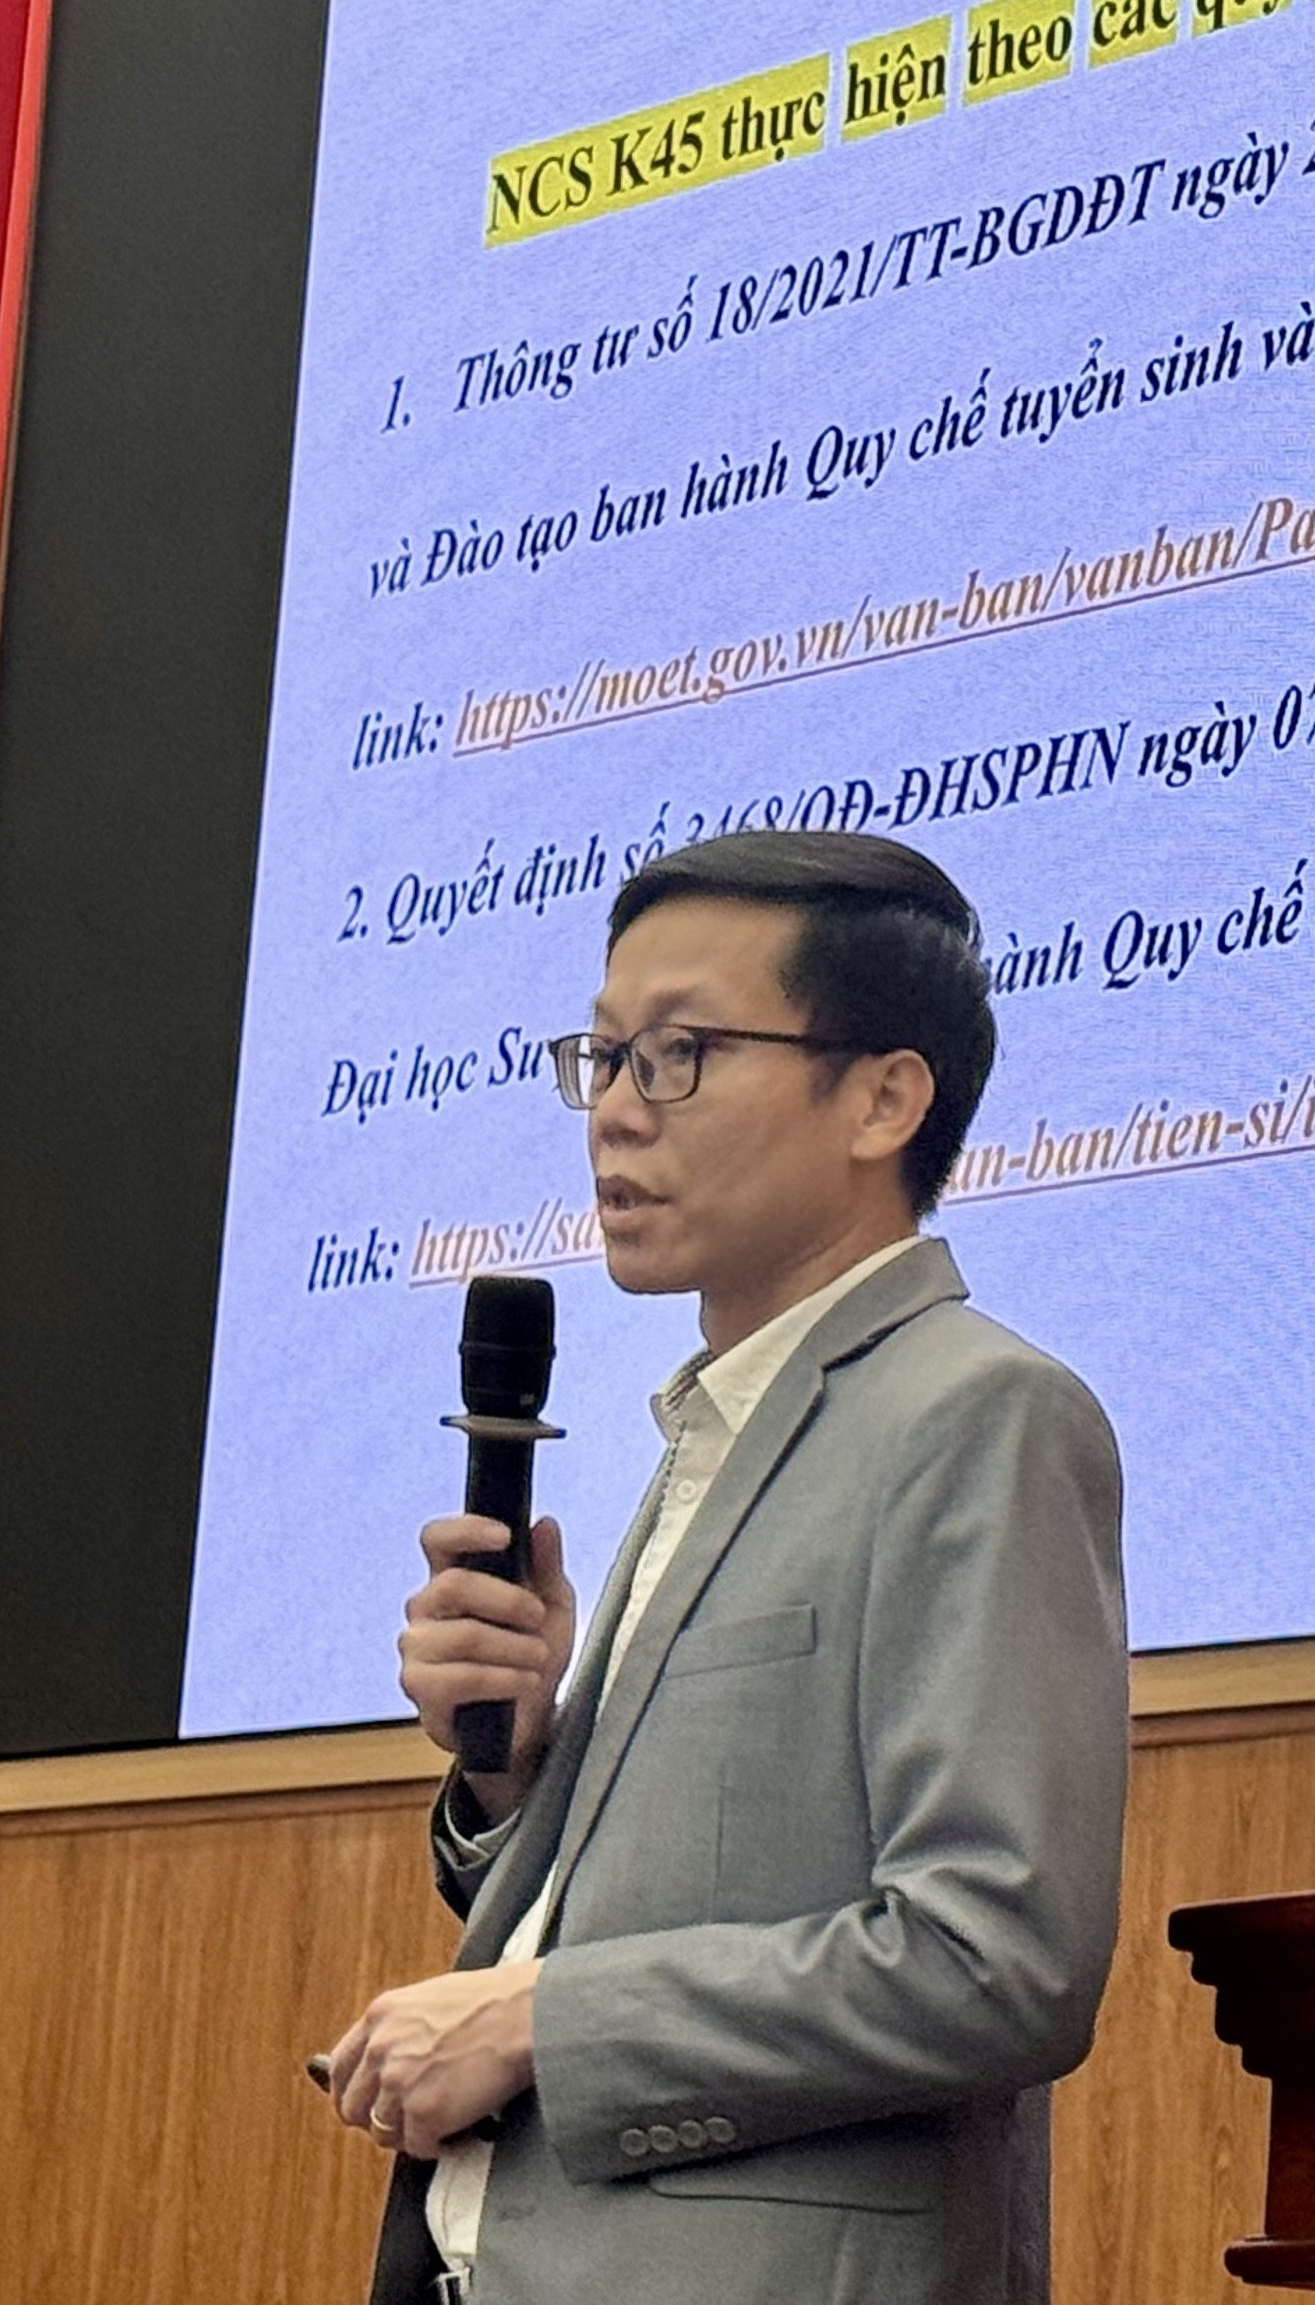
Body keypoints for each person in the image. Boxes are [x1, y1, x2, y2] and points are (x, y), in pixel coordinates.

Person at [325, 830, 1129, 2305]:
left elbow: (995, 1957)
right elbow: (684, 1894)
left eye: (680, 1055)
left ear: (883, 1098)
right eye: (605, 1056)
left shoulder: (976, 1414)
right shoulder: (725, 1423)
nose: (615, 1113)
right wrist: (518, 1766)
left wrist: (539, 2021)